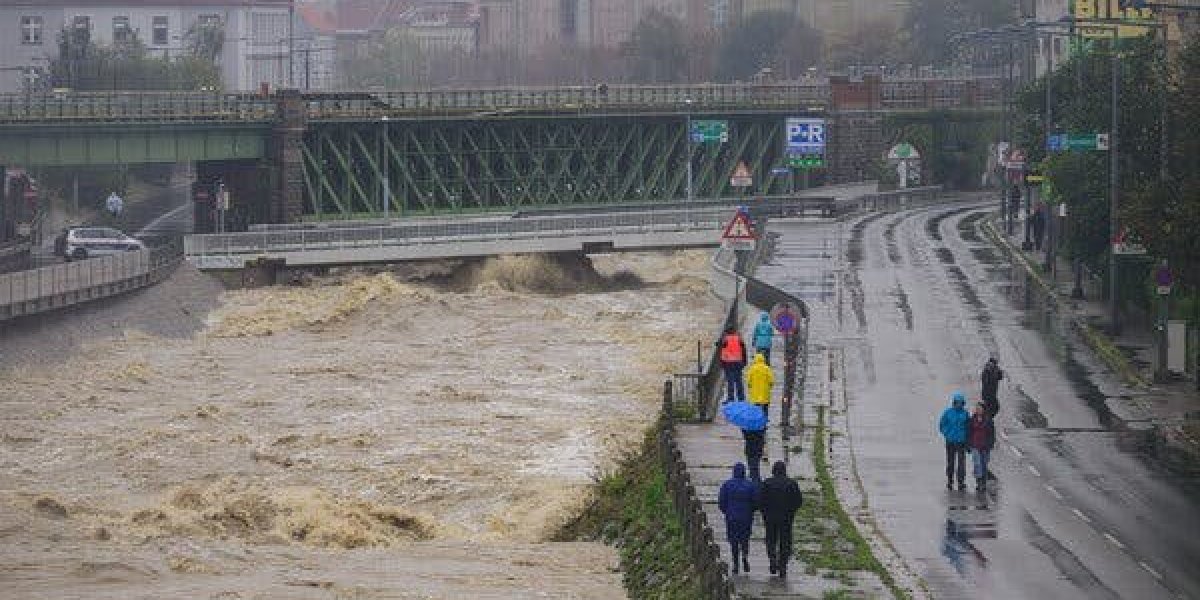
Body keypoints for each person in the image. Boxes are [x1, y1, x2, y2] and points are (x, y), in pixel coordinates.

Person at [760, 460, 802, 578]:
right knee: (785, 542)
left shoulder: (767, 483)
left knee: (770, 540)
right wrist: (791, 511)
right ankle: (782, 565)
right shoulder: (792, 484)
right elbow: (798, 501)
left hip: (770, 517)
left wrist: (765, 513)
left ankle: (772, 558)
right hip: (786, 518)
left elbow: (761, 501)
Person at [718, 462, 759, 575]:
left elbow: (721, 502)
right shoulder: (750, 485)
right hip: (746, 517)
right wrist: (751, 511)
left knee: (733, 540)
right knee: (745, 539)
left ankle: (736, 562)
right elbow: (756, 501)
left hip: (732, 517)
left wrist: (726, 511)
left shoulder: (727, 485)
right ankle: (745, 556)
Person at [938, 391, 970, 491]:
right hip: (950, 442)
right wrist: (947, 434)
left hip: (961, 442)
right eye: (957, 402)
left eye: (961, 403)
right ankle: (950, 479)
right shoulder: (948, 412)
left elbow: (968, 427)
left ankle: (961, 481)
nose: (959, 405)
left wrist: (966, 438)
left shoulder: (965, 413)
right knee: (950, 462)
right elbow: (942, 424)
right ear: (954, 402)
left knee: (961, 463)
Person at [967, 402, 996, 492]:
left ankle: (983, 482)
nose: (978, 410)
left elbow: (992, 433)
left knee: (984, 464)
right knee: (977, 464)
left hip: (985, 446)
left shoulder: (988, 420)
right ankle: (978, 482)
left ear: (983, 410)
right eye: (977, 408)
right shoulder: (972, 419)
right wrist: (968, 444)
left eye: (979, 408)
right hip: (975, 445)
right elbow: (969, 433)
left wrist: (991, 444)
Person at [718, 325, 748, 403]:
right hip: (738, 362)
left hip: (728, 363)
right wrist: (745, 361)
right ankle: (741, 398)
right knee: (739, 380)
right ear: (734, 330)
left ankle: (731, 398)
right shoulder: (739, 338)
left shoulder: (725, 339)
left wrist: (721, 363)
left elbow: (720, 346)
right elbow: (744, 350)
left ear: (727, 331)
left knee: (730, 381)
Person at [745, 353, 774, 425]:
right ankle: (765, 418)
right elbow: (771, 380)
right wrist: (770, 386)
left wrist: (750, 386)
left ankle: (756, 419)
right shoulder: (767, 369)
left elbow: (748, 380)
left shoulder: (752, 369)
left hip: (755, 393)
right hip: (765, 392)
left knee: (756, 407)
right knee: (765, 406)